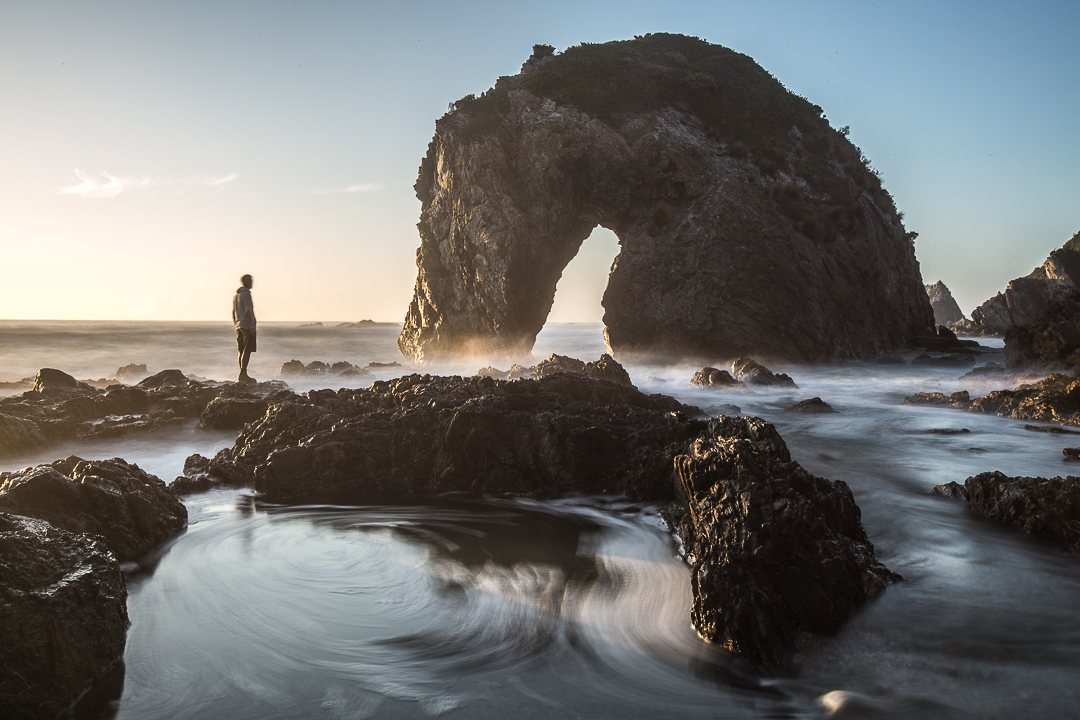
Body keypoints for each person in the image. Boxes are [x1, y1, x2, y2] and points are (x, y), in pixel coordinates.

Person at [232, 274, 257, 383]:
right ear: (246, 282)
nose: (252, 282)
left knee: (241, 350)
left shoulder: (236, 296)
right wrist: (252, 327)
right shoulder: (246, 294)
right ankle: (243, 374)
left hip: (238, 325)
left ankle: (242, 373)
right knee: (247, 350)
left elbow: (233, 313)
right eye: (251, 280)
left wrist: (236, 324)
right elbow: (248, 311)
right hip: (246, 325)